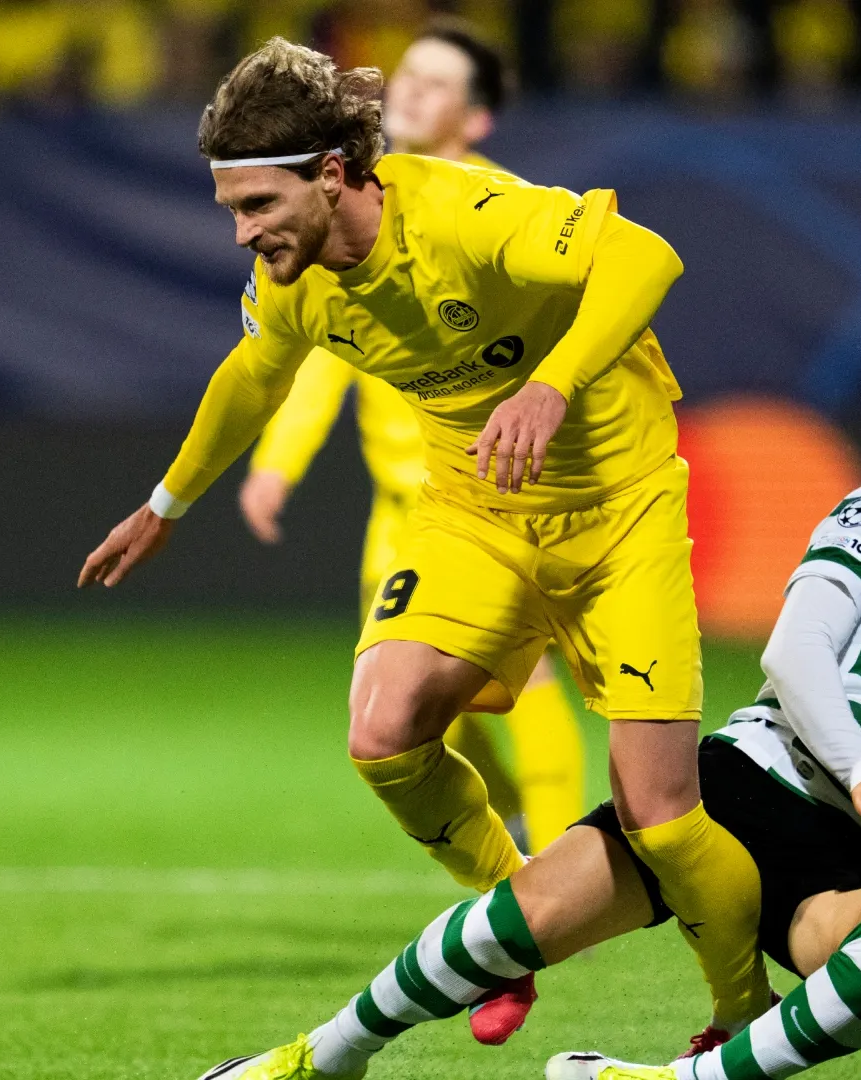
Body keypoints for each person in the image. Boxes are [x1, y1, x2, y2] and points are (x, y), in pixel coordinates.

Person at [78, 38, 773, 1041]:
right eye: (230, 208)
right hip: (475, 513)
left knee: (661, 817)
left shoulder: (460, 210)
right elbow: (253, 377)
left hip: (620, 512)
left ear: (332, 173)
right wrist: (165, 505)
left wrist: (550, 384)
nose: (242, 232)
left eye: (258, 204)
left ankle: (745, 1011)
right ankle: (509, 929)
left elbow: (645, 254)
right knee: (382, 731)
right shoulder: (295, 279)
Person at [198, 361, 861, 1080]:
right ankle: (325, 1056)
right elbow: (795, 652)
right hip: (745, 786)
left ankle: (669, 1079)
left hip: (851, 867)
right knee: (516, 924)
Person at [237, 19, 589, 863]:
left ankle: (567, 862)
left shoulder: (504, 209)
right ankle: (514, 826)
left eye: (437, 84)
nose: (411, 92)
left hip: (499, 501)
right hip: (404, 515)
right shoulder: (355, 209)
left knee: (527, 681)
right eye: (408, 77)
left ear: (477, 118)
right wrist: (277, 461)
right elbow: (323, 353)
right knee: (414, 707)